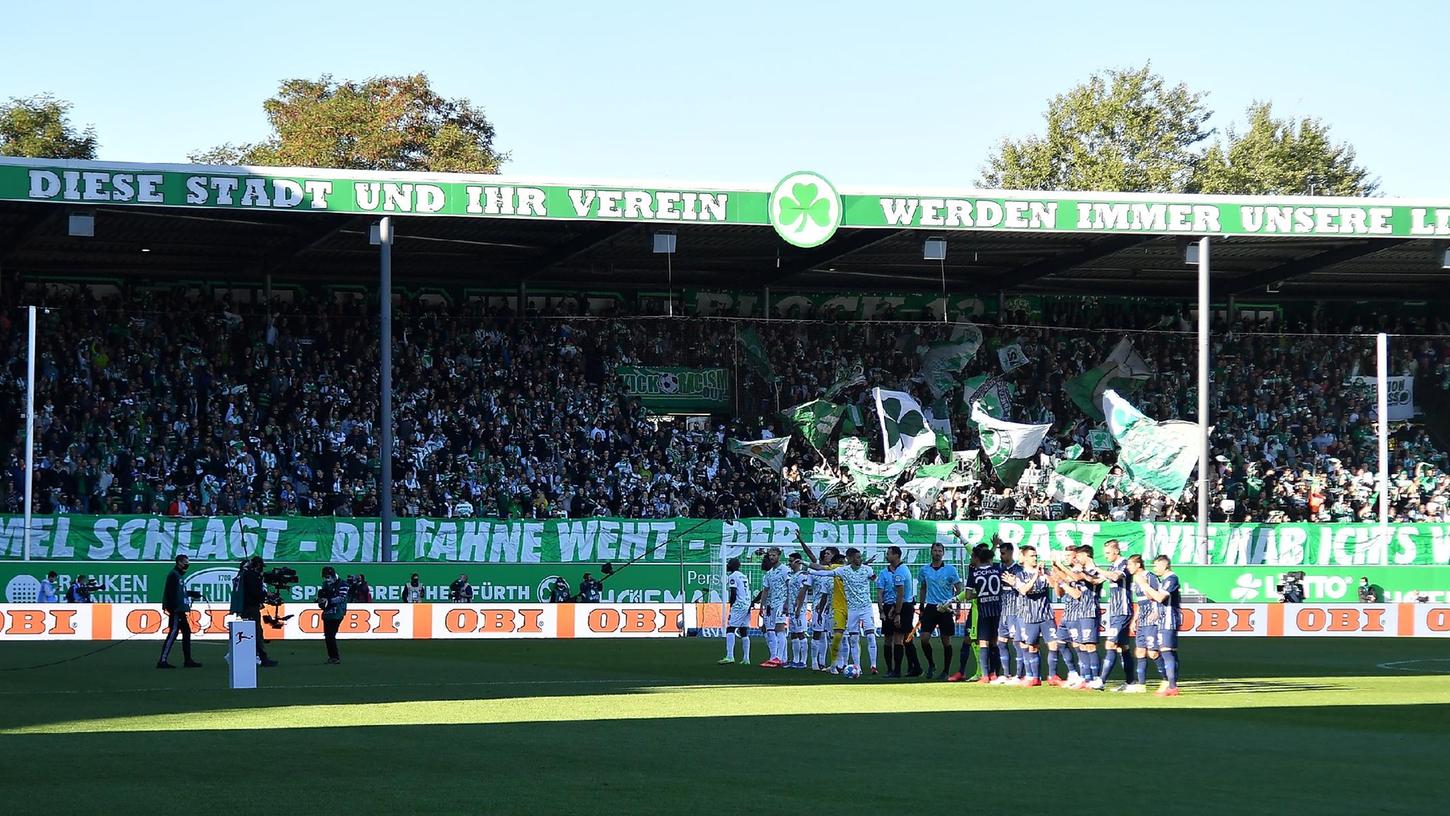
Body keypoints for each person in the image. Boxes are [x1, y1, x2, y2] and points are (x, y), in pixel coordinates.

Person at [807, 547, 874, 676]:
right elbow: (825, 593)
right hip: (834, 611)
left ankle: (843, 664)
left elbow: (860, 570)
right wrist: (821, 609)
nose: (842, 565)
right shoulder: (833, 577)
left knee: (847, 638)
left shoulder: (849, 574)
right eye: (840, 563)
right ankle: (835, 665)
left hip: (850, 610)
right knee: (835, 638)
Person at [952, 545, 1000, 683]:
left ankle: (984, 675)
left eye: (972, 556)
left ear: (977, 558)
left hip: (982, 611)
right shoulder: (997, 569)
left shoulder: (975, 573)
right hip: (997, 610)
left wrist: (980, 593)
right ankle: (996, 674)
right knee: (996, 643)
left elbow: (967, 595)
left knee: (983, 643)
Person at [1059, 546, 1103, 690]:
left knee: (1090, 645)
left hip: (1090, 611)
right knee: (1081, 645)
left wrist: (1060, 566)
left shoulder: (1095, 571)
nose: (1076, 559)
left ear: (1086, 555)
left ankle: (1096, 678)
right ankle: (1085, 677)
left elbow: (1077, 577)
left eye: (1078, 556)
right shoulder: (1080, 570)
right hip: (1080, 612)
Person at [1004, 545, 1049, 687]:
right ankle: (1029, 676)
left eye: (1036, 556)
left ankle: (1040, 676)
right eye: (1032, 555)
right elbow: (1023, 589)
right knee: (1023, 644)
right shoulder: (1019, 574)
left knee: (1044, 645)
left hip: (1040, 614)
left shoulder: (1043, 573)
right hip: (1022, 613)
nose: (1035, 558)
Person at [916, 542, 961, 680]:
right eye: (935, 550)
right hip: (930, 606)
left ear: (943, 553)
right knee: (924, 638)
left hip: (945, 607)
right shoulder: (924, 570)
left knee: (946, 640)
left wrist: (957, 606)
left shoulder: (950, 570)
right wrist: (921, 605)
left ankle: (946, 670)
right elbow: (923, 588)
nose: (937, 553)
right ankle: (931, 664)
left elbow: (958, 588)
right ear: (931, 552)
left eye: (939, 551)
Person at [1140, 555, 1182, 696]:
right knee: (1169, 653)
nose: (1155, 569)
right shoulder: (1165, 580)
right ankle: (1172, 685)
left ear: (1165, 565)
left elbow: (1160, 597)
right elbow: (1156, 598)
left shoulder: (1172, 579)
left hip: (1169, 620)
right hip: (1163, 619)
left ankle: (1172, 686)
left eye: (1157, 566)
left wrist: (1145, 585)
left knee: (1166, 652)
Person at [1098, 540, 1137, 690]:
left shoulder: (1124, 564)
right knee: (1123, 647)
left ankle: (1101, 681)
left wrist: (1096, 568)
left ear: (1116, 551)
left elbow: (1115, 577)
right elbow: (1096, 579)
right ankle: (1130, 683)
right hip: (1115, 612)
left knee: (1110, 643)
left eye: (1108, 553)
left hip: (1123, 610)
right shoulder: (1111, 566)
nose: (1106, 555)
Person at [157, 555, 202, 669]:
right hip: (177, 610)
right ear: (179, 562)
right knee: (173, 633)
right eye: (185, 562)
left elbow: (180, 592)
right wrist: (173, 608)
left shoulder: (178, 576)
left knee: (186, 633)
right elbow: (170, 593)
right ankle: (162, 660)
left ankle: (188, 660)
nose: (187, 564)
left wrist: (192, 594)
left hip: (180, 610)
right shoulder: (174, 575)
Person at [1124, 555, 1159, 694]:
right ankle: (1141, 684)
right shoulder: (1135, 581)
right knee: (1139, 651)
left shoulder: (1150, 577)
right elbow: (1140, 601)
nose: (1128, 568)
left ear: (1138, 565)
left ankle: (1167, 680)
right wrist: (1134, 620)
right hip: (1142, 619)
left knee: (1153, 653)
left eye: (1130, 565)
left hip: (1152, 618)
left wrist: (1156, 612)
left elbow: (1155, 597)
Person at [991, 540, 1024, 685]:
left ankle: (1019, 675)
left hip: (1015, 611)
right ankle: (1006, 674)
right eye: (1000, 553)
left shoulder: (1018, 570)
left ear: (1011, 553)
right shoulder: (999, 568)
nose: (1001, 556)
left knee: (1017, 643)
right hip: (1002, 611)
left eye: (1003, 553)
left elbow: (1023, 589)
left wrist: (1013, 583)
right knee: (1001, 642)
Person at [876, 546, 912, 678]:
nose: (887, 556)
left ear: (896, 555)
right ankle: (892, 669)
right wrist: (883, 610)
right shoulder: (886, 572)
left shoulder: (899, 572)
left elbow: (900, 594)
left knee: (899, 638)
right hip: (891, 606)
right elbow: (880, 593)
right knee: (889, 638)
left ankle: (897, 670)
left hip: (901, 607)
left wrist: (897, 612)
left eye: (888, 554)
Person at [237, 556, 278, 667]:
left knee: (254, 633)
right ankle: (262, 658)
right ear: (258, 565)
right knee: (256, 633)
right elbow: (254, 592)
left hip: (248, 607)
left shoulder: (246, 575)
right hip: (251, 608)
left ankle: (257, 656)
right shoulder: (251, 576)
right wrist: (266, 594)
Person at [756, 548, 791, 667]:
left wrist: (787, 603)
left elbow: (789, 586)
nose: (772, 557)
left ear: (779, 556)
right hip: (771, 605)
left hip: (781, 603)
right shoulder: (769, 573)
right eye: (770, 555)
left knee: (780, 630)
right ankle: (776, 657)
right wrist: (762, 606)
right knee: (771, 631)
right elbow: (765, 590)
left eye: (774, 555)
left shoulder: (785, 570)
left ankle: (780, 658)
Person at [719, 557, 752, 665]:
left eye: (729, 563)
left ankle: (730, 656)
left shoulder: (732, 576)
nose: (727, 565)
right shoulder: (743, 576)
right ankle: (746, 659)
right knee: (743, 631)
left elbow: (733, 592)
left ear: (733, 565)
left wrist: (732, 605)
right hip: (747, 604)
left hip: (739, 604)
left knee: (730, 629)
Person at [785, 553, 811, 668]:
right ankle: (795, 660)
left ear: (797, 562)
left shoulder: (802, 575)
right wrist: (787, 604)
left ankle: (803, 661)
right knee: (793, 634)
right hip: (791, 609)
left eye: (791, 561)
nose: (789, 563)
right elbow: (790, 592)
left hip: (799, 609)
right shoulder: (793, 575)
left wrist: (799, 608)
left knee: (801, 633)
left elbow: (803, 591)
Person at [318, 566, 349, 664]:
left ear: (333, 576)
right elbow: (323, 596)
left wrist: (329, 600)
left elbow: (342, 598)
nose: (326, 579)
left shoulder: (343, 584)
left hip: (337, 612)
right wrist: (320, 600)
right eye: (325, 577)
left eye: (328, 577)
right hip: (327, 613)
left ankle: (335, 657)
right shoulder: (325, 584)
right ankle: (332, 657)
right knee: (328, 636)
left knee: (331, 635)